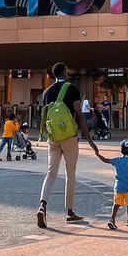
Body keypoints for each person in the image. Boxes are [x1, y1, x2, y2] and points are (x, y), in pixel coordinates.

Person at [36, 63, 96, 228]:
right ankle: (70, 212)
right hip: (69, 137)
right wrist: (90, 140)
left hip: (53, 138)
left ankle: (42, 205)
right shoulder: (72, 89)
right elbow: (80, 115)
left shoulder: (46, 92)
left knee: (51, 173)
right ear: (65, 73)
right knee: (70, 173)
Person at [94, 137, 128, 230]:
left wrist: (97, 154)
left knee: (116, 204)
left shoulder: (117, 160)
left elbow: (105, 160)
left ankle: (112, 219)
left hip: (118, 187)